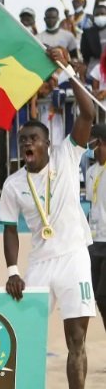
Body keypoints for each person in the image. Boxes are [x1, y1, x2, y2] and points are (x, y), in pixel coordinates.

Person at [0, 50, 95, 389]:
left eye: (34, 138)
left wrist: (68, 71)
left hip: (73, 259)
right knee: (23, 337)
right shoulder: (13, 184)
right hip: (39, 263)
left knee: (76, 341)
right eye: (23, 140)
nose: (28, 144)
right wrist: (11, 269)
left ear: (46, 142)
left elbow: (87, 115)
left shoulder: (67, 156)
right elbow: (7, 228)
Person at [85, 124, 106, 335]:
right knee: (97, 297)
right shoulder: (91, 171)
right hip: (94, 241)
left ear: (99, 141)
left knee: (103, 295)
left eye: (91, 140)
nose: (87, 144)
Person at [80, 2, 106, 72]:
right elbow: (85, 55)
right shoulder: (87, 33)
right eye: (97, 15)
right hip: (93, 72)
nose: (100, 16)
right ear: (93, 17)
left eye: (102, 14)